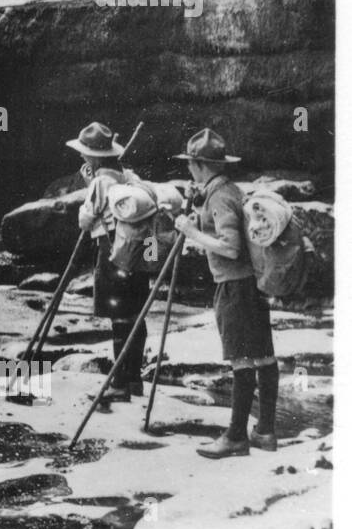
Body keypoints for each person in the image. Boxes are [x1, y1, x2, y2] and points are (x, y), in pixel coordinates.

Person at [172, 129, 279, 458]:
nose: (189, 169)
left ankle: (236, 437)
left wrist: (191, 232)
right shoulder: (228, 189)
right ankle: (265, 432)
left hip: (234, 285)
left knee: (241, 358)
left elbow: (231, 248)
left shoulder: (219, 197)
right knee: (263, 355)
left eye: (190, 164)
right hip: (252, 285)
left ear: (200, 164)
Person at [69, 122, 148, 403]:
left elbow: (86, 219)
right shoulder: (128, 176)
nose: (81, 157)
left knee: (119, 317)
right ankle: (135, 379)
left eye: (85, 152)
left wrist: (86, 202)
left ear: (93, 156)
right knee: (136, 314)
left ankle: (119, 383)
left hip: (112, 250)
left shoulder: (101, 181)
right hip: (135, 251)